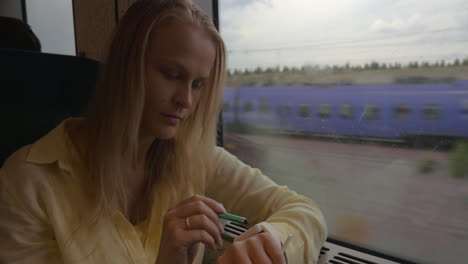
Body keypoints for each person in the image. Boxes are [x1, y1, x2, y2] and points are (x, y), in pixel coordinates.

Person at [0, 0, 327, 263]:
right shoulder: (28, 184)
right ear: (125, 69)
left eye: (198, 85)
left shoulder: (197, 160)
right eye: (172, 74)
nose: (185, 100)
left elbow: (305, 211)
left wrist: (268, 241)